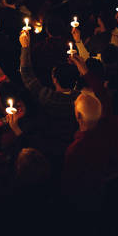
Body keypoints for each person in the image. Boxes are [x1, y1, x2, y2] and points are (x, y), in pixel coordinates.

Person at [19, 30, 80, 161]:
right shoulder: (81, 99)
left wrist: (25, 47)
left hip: (48, 146)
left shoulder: (47, 97)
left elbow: (27, 75)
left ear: (55, 80)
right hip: (73, 145)